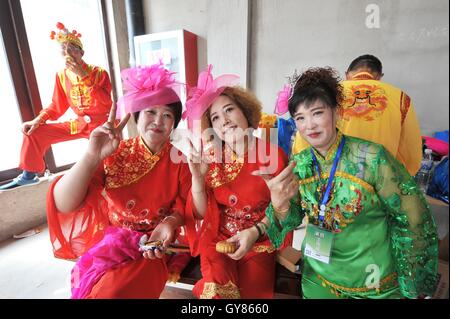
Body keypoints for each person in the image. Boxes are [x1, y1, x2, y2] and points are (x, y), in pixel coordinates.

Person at [263, 67, 438, 299]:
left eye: (317, 113)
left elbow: (413, 218)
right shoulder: (301, 163)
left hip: (373, 282)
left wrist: (412, 282)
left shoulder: (372, 158)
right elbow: (292, 217)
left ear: (336, 112)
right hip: (319, 278)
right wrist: (280, 205)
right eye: (300, 118)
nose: (309, 125)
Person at [46, 62, 193, 298]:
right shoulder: (113, 152)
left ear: (174, 124)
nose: (158, 121)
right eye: (151, 112)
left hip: (154, 248)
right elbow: (64, 203)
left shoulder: (181, 161)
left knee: (114, 292)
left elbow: (184, 207)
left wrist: (170, 223)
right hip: (111, 243)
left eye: (167, 115)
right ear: (136, 116)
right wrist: (92, 156)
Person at [182, 65, 291, 299]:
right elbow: (200, 213)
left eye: (229, 110)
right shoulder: (210, 158)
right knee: (216, 294)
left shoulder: (274, 155)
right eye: (215, 117)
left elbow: (285, 212)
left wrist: (255, 231)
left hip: (259, 240)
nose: (225, 121)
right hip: (218, 239)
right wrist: (197, 179)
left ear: (246, 112)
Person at [0, 22, 113, 190]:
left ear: (82, 52)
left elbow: (106, 103)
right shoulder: (61, 76)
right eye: (64, 50)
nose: (69, 54)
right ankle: (28, 175)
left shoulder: (99, 72)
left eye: (73, 49)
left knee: (104, 168)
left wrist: (84, 77)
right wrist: (37, 120)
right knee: (34, 132)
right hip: (80, 123)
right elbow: (56, 106)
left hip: (101, 125)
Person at [291, 54, 422, 176]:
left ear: (347, 74)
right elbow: (411, 151)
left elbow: (304, 141)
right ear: (378, 77)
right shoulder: (400, 98)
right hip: (378, 177)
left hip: (329, 178)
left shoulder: (327, 93)